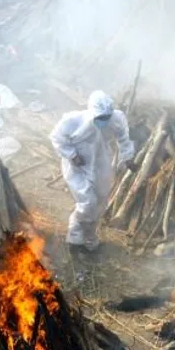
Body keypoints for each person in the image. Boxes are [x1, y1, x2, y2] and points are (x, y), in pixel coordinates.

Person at [50, 90, 136, 258]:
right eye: (99, 118)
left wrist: (128, 157)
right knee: (87, 202)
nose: (103, 121)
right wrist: (72, 155)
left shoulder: (116, 119)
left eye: (105, 118)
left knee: (100, 201)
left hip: (100, 163)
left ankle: (90, 240)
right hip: (78, 166)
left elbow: (123, 138)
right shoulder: (73, 120)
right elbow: (56, 138)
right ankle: (74, 241)